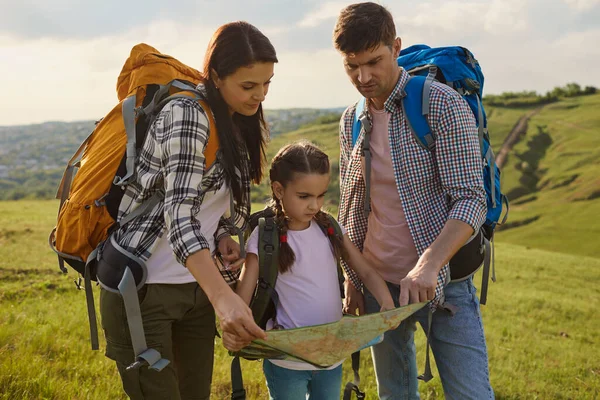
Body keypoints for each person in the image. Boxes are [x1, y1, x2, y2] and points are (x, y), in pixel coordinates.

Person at [98, 21, 277, 400]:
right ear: (215, 76)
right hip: (144, 289)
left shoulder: (234, 121)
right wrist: (224, 299)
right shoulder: (187, 113)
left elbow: (209, 205)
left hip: (195, 288)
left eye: (266, 84)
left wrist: (224, 235)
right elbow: (178, 214)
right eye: (248, 85)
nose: (259, 95)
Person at [333, 3, 494, 400]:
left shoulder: (441, 104)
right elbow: (352, 206)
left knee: (470, 393)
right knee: (395, 394)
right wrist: (351, 277)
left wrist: (427, 265)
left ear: (396, 47)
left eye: (374, 61)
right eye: (352, 66)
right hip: (377, 285)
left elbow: (471, 198)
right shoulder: (350, 118)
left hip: (444, 282)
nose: (363, 77)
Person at [236, 141, 395, 400]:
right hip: (287, 361)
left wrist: (387, 305)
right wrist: (242, 331)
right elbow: (243, 294)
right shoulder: (265, 237)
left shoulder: (329, 228)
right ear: (279, 190)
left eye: (320, 195)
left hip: (330, 359)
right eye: (304, 196)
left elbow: (365, 271)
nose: (315, 205)